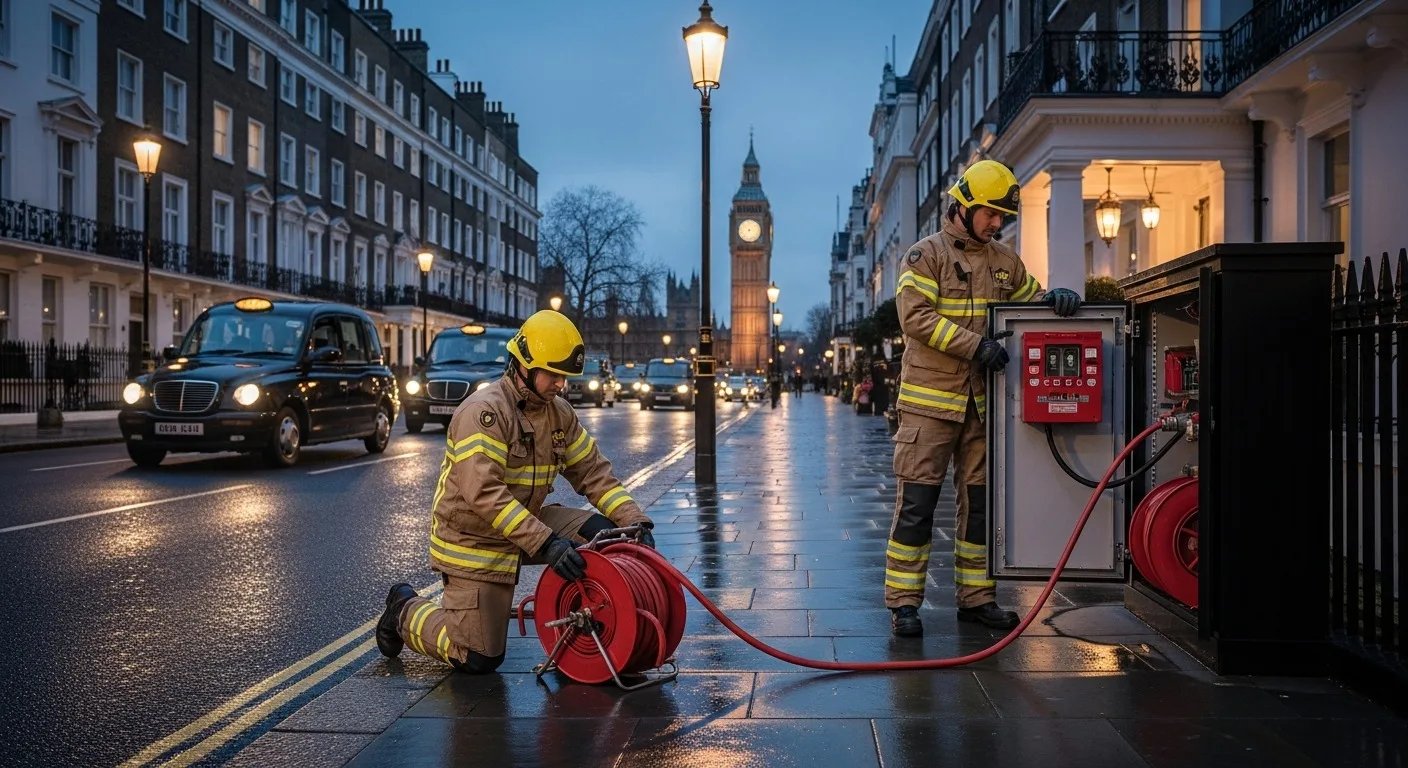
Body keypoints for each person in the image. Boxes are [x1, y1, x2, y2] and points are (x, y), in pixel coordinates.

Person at [375, 310, 657, 673]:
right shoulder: (484, 412)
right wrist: (547, 543)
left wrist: (635, 524)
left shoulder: (559, 414)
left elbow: (593, 473)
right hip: (474, 541)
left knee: (604, 532)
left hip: (524, 522)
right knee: (479, 659)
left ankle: (586, 614)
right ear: (523, 365)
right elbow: (485, 494)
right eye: (553, 374)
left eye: (565, 376)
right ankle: (404, 610)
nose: (560, 384)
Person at [885, 159, 1081, 636]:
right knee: (918, 505)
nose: (997, 224)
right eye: (991, 213)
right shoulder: (923, 256)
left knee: (979, 506)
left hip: (979, 408)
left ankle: (976, 599)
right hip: (929, 406)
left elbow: (1029, 300)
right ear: (964, 205)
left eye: (1003, 217)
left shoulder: (1004, 262)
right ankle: (904, 604)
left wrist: (1054, 299)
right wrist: (978, 346)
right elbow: (916, 319)